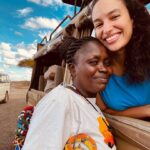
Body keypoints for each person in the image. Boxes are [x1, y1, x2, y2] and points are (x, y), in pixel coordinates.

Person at [22, 37, 116, 150]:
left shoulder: (89, 101)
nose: (104, 69)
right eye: (94, 62)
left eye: (107, 63)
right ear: (73, 69)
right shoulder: (59, 102)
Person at [91, 0, 150, 119]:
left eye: (114, 17)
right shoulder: (94, 70)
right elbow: (104, 112)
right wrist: (146, 111)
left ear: (132, 19)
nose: (106, 29)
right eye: (99, 24)